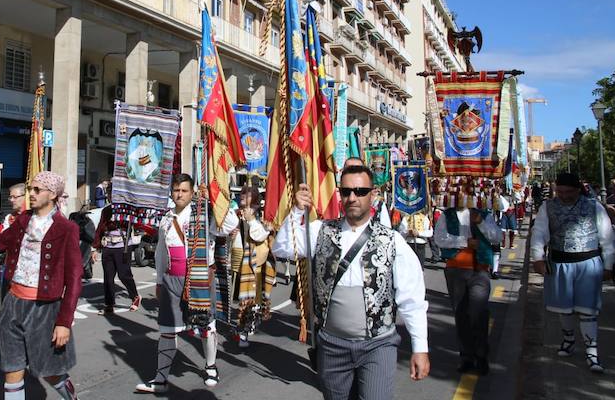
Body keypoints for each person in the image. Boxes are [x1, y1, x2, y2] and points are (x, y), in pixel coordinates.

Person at [274, 166, 430, 400]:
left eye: (360, 191)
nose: (352, 197)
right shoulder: (321, 231)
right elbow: (283, 247)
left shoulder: (392, 241)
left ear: (372, 194)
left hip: (378, 346)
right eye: (346, 191)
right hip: (332, 347)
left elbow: (412, 299)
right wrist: (297, 210)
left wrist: (420, 348)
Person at [135, 174, 239, 393]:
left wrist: (214, 198)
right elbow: (162, 253)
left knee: (206, 325)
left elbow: (231, 224)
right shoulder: (165, 219)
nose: (179, 194)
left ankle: (211, 367)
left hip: (199, 280)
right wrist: (159, 281)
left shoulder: (204, 214)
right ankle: (161, 379)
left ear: (192, 193)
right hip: (172, 279)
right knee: (166, 329)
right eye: (175, 190)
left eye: (183, 190)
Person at [0, 171, 82, 400]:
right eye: (31, 189)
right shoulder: (23, 220)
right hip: (13, 303)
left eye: (37, 190)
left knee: (50, 373)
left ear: (53, 194)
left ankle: (71, 396)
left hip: (44, 310)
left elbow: (75, 279)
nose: (32, 194)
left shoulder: (67, 229)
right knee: (12, 369)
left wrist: (64, 322)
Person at [530, 172, 615, 373]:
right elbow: (540, 233)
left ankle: (592, 352)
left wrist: (609, 264)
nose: (563, 195)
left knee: (588, 310)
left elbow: (607, 236)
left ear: (578, 190)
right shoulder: (547, 206)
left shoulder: (593, 206)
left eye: (568, 192)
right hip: (560, 263)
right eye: (560, 191)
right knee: (564, 307)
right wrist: (538, 257)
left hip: (588, 263)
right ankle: (568, 339)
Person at [434, 201, 503, 375]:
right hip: (456, 270)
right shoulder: (446, 215)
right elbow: (439, 239)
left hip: (479, 270)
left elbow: (496, 237)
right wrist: (464, 242)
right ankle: (466, 356)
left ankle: (481, 356)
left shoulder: (484, 214)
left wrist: (480, 222)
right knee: (461, 313)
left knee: (478, 312)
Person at [0, 183, 29, 370]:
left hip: (33, 280)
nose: (10, 200)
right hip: (10, 275)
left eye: (14, 196)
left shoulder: (38, 219)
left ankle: (31, 352)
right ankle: (3, 353)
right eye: (9, 197)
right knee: (6, 316)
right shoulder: (10, 220)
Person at [229, 186, 273, 349]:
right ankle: (242, 328)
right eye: (241, 193)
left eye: (246, 194)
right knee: (239, 297)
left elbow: (259, 235)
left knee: (250, 300)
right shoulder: (238, 214)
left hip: (253, 264)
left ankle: (244, 332)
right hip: (237, 259)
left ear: (253, 199)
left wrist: (250, 220)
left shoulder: (258, 218)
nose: (242, 196)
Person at [92, 204, 140, 314]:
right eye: (109, 192)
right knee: (108, 277)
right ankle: (109, 304)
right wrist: (95, 248)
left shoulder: (127, 209)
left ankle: (135, 297)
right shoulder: (106, 210)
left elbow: (136, 223)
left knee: (124, 274)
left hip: (122, 246)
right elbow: (100, 228)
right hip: (107, 246)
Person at [68, 201, 96, 281]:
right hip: (80, 240)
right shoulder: (85, 220)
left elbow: (91, 235)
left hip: (82, 240)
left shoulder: (86, 220)